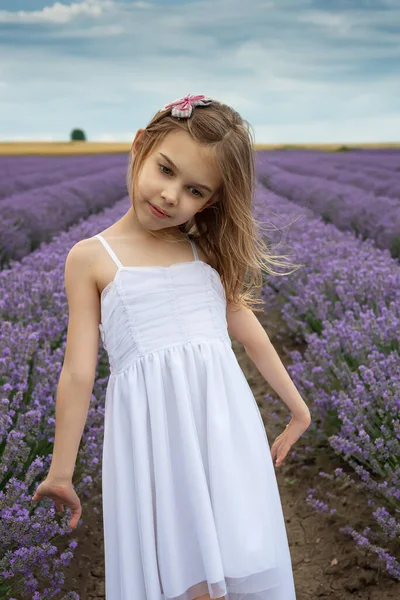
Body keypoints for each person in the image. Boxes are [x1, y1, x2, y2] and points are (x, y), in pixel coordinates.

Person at [32, 94, 311, 600]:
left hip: (223, 428)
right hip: (155, 437)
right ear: (141, 145)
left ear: (210, 202)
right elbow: (78, 372)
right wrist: (61, 471)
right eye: (165, 169)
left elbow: (247, 329)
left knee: (236, 556)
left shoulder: (202, 248)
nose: (169, 195)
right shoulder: (92, 258)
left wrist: (297, 409)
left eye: (194, 189)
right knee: (185, 572)